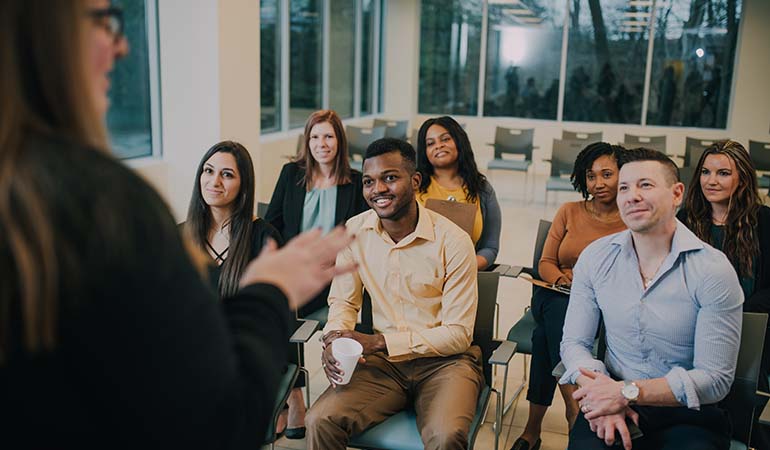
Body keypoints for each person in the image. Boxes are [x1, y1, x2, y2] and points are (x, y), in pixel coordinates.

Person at [0, 1, 355, 448]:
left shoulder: (256, 234)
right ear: (46, 36)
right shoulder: (111, 211)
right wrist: (268, 289)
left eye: (227, 173)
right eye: (103, 22)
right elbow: (218, 418)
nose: (122, 46)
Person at [305, 138, 483, 450]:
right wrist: (334, 337)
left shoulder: (453, 241)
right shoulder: (355, 231)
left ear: (415, 181)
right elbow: (344, 302)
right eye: (369, 182)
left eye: (390, 178)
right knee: (319, 420)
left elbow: (458, 334)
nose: (378, 190)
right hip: (383, 365)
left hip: (446, 363)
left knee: (445, 437)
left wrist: (379, 342)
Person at [560, 148, 743, 450]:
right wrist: (601, 394)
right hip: (610, 398)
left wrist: (626, 393)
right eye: (624, 187)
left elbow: (715, 379)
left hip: (688, 413)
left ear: (677, 194)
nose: (631, 196)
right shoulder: (596, 257)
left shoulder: (712, 269)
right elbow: (574, 344)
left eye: (645, 185)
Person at [511, 143, 627, 450]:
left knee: (541, 339)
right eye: (591, 176)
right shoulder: (569, 211)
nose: (598, 183)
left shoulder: (632, 219)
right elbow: (546, 263)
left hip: (601, 307)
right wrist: (564, 281)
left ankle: (532, 429)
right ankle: (574, 408)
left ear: (623, 175)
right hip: (555, 293)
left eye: (607, 174)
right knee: (561, 312)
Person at [264, 109, 369, 437]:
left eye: (328, 136)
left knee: (282, 306)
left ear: (339, 140)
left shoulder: (354, 183)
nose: (321, 144)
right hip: (297, 270)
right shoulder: (290, 175)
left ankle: (291, 398)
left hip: (336, 276)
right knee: (275, 303)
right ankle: (294, 396)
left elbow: (362, 236)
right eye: (314, 137)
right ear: (306, 141)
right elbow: (272, 225)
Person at [677, 140, 770, 449]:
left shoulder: (766, 222)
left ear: (742, 178)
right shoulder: (685, 220)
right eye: (705, 171)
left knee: (735, 410)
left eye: (723, 173)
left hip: (748, 329)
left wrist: (732, 313)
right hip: (688, 328)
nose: (711, 180)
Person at [183, 141, 283, 298]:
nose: (215, 181)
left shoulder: (265, 239)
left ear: (244, 184)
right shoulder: (178, 236)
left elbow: (276, 312)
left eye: (227, 174)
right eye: (209, 171)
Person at [415, 116, 501, 269]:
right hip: (419, 274)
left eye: (445, 139)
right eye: (430, 143)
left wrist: (463, 268)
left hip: (465, 276)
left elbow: (490, 247)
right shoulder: (414, 188)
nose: (438, 146)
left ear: (459, 141)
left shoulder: (482, 189)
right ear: (425, 152)